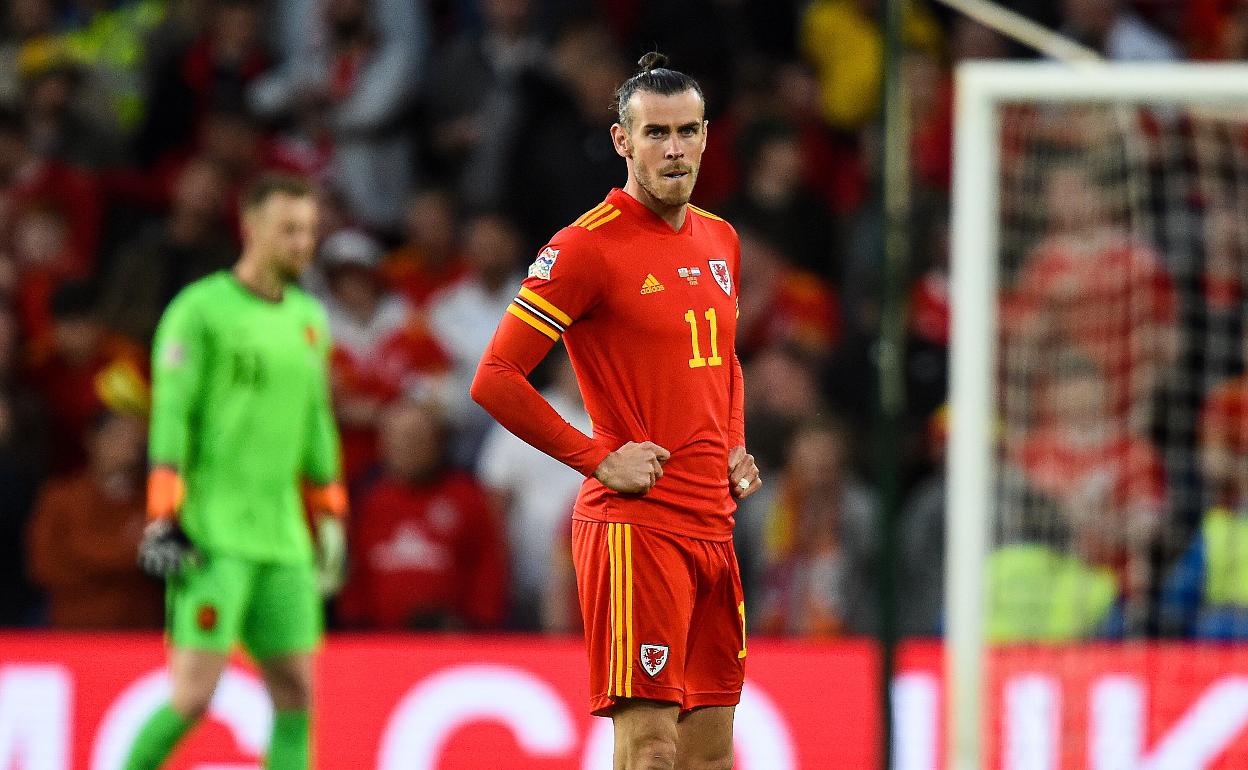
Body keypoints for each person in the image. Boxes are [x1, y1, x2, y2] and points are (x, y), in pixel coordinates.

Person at [471, 53, 761, 770]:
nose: (674, 149)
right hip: (637, 530)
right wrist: (596, 455)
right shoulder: (585, 247)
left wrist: (733, 444)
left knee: (710, 756)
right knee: (650, 748)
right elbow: (495, 377)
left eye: (688, 131)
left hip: (711, 526)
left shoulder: (720, 238)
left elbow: (723, 360)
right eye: (655, 133)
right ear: (621, 141)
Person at [122, 174, 347, 770]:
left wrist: (329, 513)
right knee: (194, 696)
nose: (303, 243)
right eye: (289, 230)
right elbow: (172, 416)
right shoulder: (199, 311)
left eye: (309, 231)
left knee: (296, 694)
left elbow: (315, 421)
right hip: (212, 536)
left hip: (283, 542)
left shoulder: (309, 318)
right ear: (250, 228)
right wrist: (163, 514)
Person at [337, 399, 508, 630]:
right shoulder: (369, 500)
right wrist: (355, 624)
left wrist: (478, 625)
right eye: (398, 441)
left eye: (415, 440)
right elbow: (353, 571)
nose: (407, 450)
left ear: (437, 442)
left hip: (452, 638)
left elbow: (487, 569)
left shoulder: (466, 498)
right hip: (378, 639)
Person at [26, 410, 163, 629]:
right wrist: (130, 550)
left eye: (137, 437)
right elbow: (44, 566)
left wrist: (88, 556)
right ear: (93, 439)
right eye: (119, 435)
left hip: (140, 635)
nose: (129, 446)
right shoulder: (61, 498)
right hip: (73, 631)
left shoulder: (155, 502)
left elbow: (166, 561)